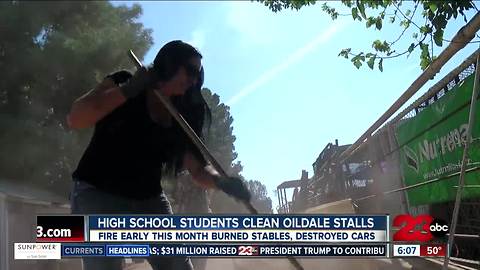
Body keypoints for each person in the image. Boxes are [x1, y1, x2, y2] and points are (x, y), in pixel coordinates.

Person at [67, 40, 251, 270]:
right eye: (190, 71)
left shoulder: (180, 116)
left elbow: (197, 170)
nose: (194, 80)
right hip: (97, 192)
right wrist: (130, 89)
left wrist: (221, 182)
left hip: (148, 198)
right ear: (169, 64)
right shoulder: (123, 81)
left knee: (177, 265)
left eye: (198, 73)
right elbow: (76, 118)